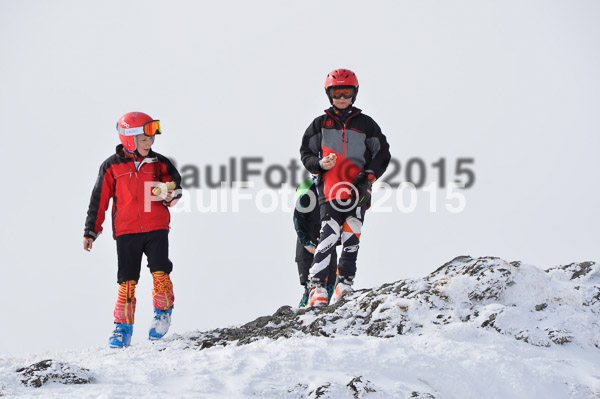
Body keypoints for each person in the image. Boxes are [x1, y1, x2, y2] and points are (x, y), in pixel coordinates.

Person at [83, 111, 182, 348]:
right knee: (127, 281)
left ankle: (163, 311)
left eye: (151, 139)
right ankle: (122, 329)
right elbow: (99, 199)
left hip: (156, 226)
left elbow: (176, 187)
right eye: (145, 139)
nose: (150, 144)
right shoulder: (111, 166)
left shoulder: (159, 162)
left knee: (160, 272)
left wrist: (170, 193)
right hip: (126, 231)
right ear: (130, 139)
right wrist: (91, 231)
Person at [300, 69, 391, 307]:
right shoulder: (320, 124)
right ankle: (317, 287)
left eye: (346, 93)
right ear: (329, 94)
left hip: (358, 188)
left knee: (352, 233)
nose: (342, 98)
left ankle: (345, 284)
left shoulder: (366, 124)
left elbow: (382, 152)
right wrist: (319, 164)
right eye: (337, 93)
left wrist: (369, 176)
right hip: (330, 188)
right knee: (329, 232)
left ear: (355, 94)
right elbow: (306, 153)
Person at [293, 175, 338, 307]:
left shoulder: (336, 185)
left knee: (329, 289)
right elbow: (297, 217)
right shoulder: (308, 187)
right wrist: (306, 242)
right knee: (311, 289)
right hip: (307, 247)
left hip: (327, 243)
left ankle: (323, 321)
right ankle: (302, 317)